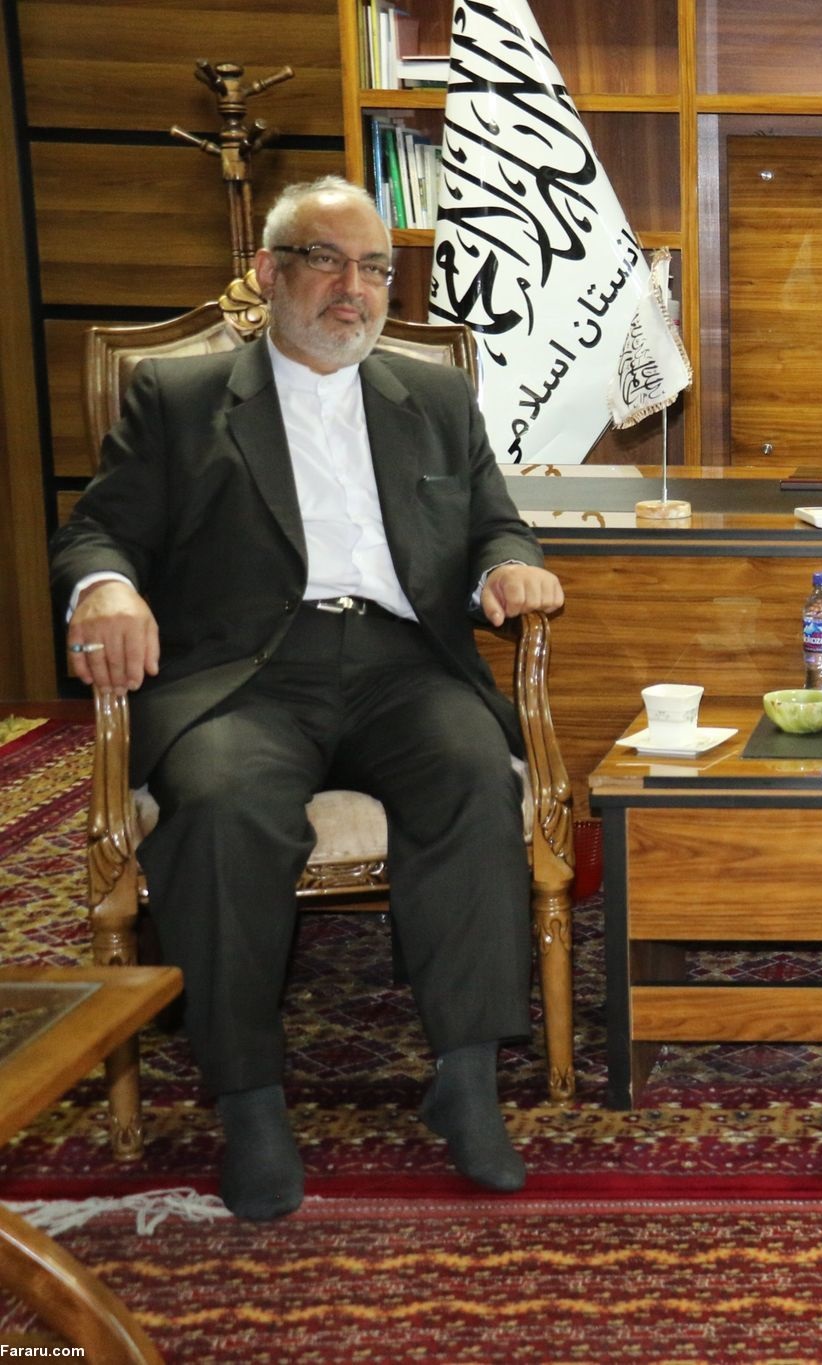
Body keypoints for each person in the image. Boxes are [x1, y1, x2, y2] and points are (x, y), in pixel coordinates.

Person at [50, 176, 565, 1222]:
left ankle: (465, 1079)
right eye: (326, 260)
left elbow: (494, 523)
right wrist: (103, 586)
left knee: (473, 776)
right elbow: (99, 530)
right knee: (224, 805)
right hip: (244, 674)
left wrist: (506, 567)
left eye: (373, 268)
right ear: (268, 272)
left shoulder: (434, 398)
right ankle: (248, 1100)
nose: (353, 288)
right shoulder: (180, 397)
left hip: (402, 663)